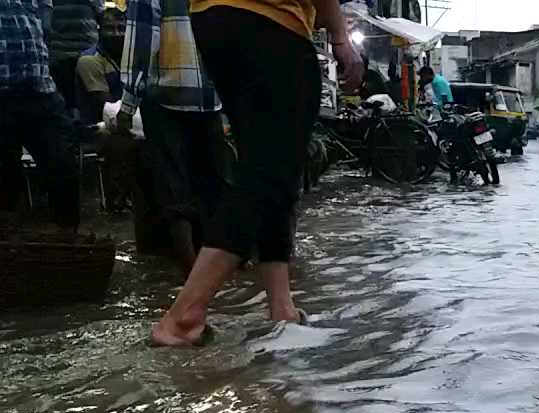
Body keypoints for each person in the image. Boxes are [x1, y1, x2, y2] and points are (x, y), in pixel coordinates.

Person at [148, 0, 363, 346]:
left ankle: (282, 308)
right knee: (270, 173)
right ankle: (184, 317)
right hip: (272, 21)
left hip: (212, 20)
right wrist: (340, 36)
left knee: (268, 165)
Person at [115, 0, 224, 276]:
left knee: (174, 185)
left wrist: (127, 105)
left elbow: (141, 42)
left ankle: (190, 272)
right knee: (212, 185)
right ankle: (219, 273)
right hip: (209, 98)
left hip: (167, 96)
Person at [0, 0, 80, 227]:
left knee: (64, 166)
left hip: (40, 90)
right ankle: (11, 249)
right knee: (5, 181)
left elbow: (44, 25)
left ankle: (68, 244)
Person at [48, 0, 102, 112]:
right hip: (85, 53)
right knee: (88, 108)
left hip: (60, 53)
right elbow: (101, 14)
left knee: (65, 106)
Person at [74, 6, 121, 124]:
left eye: (121, 28)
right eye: (110, 28)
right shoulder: (89, 59)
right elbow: (109, 109)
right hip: (98, 127)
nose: (116, 34)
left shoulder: (128, 56)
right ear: (99, 31)